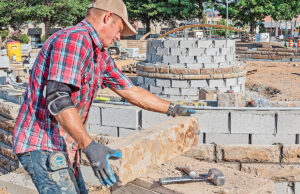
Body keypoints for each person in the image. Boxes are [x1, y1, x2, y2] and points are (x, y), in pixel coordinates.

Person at [13, 0, 195, 193]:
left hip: (64, 144)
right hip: (43, 143)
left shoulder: (99, 54)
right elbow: (58, 98)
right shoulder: (74, 39)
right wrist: (90, 146)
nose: (118, 37)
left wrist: (172, 109)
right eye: (119, 30)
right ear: (108, 17)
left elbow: (130, 91)